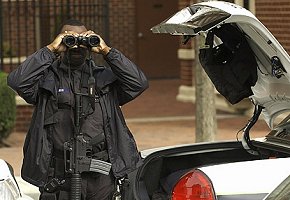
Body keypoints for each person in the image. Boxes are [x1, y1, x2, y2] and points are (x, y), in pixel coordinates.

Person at [7, 19, 149, 200]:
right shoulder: (46, 79)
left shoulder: (104, 78)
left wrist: (107, 51)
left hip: (100, 177)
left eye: (82, 40)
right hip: (58, 174)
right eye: (70, 39)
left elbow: (139, 82)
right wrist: (50, 50)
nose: (77, 46)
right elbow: (17, 81)